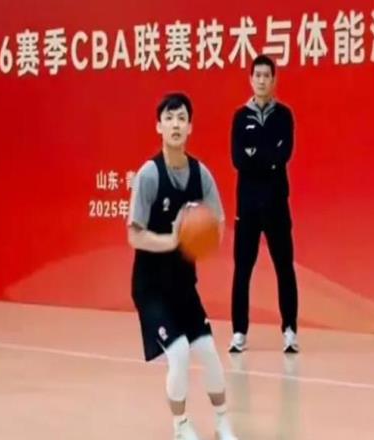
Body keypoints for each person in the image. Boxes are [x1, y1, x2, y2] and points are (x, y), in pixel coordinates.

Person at [128, 92, 238, 440]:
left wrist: (203, 239)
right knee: (178, 353)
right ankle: (180, 425)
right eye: (169, 118)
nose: (175, 124)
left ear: (190, 127)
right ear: (158, 126)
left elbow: (218, 221)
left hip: (182, 285)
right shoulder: (149, 175)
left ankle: (222, 422)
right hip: (150, 287)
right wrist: (173, 241)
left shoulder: (200, 174)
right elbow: (134, 234)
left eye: (181, 119)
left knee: (208, 352)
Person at [229, 55, 299, 354]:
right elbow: (238, 159)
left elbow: (283, 155)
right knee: (242, 269)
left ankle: (290, 331)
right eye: (256, 75)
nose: (261, 80)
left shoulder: (284, 115)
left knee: (284, 267)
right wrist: (265, 158)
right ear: (250, 79)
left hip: (276, 204)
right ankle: (239, 333)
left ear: (273, 80)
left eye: (266, 75)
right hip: (247, 207)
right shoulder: (239, 117)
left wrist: (257, 155)